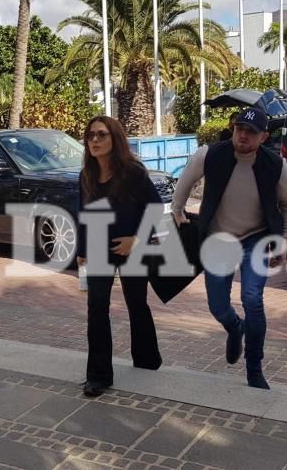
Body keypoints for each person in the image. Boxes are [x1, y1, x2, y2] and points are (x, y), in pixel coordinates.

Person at [171, 106, 287, 390]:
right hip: (218, 239)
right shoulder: (209, 155)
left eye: (251, 132)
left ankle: (254, 368)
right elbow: (185, 182)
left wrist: (285, 240)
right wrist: (177, 210)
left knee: (252, 299)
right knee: (217, 306)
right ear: (233, 129)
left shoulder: (276, 165)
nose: (243, 135)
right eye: (240, 129)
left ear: (264, 136)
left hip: (256, 238)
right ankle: (234, 327)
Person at [76, 116, 163, 397]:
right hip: (100, 249)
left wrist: (135, 240)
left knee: (137, 304)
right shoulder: (87, 174)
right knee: (97, 308)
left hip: (132, 248)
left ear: (115, 139)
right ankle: (98, 376)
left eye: (101, 135)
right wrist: (82, 249)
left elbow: (156, 208)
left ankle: (147, 360)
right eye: (90, 136)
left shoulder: (132, 173)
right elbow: (85, 214)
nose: (95, 141)